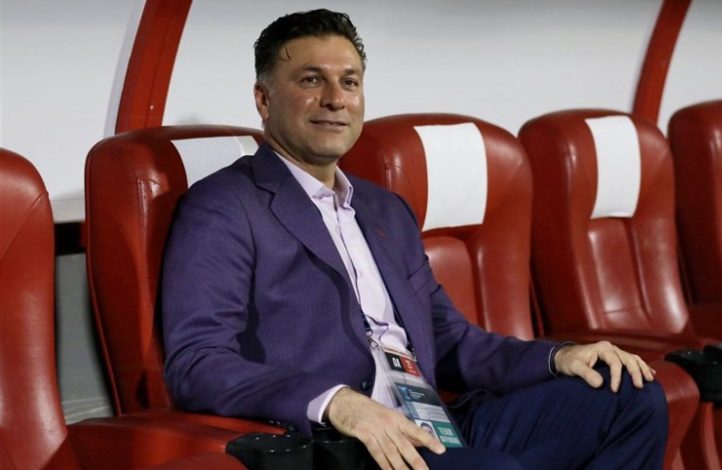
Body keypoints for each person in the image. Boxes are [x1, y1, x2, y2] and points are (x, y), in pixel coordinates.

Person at [162, 9, 667, 470]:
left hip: (434, 425)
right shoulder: (225, 205)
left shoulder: (385, 210)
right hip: (346, 447)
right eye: (311, 80)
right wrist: (336, 401)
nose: (335, 99)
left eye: (349, 82)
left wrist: (559, 358)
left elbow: (450, 339)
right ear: (264, 98)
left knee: (631, 398)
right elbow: (198, 362)